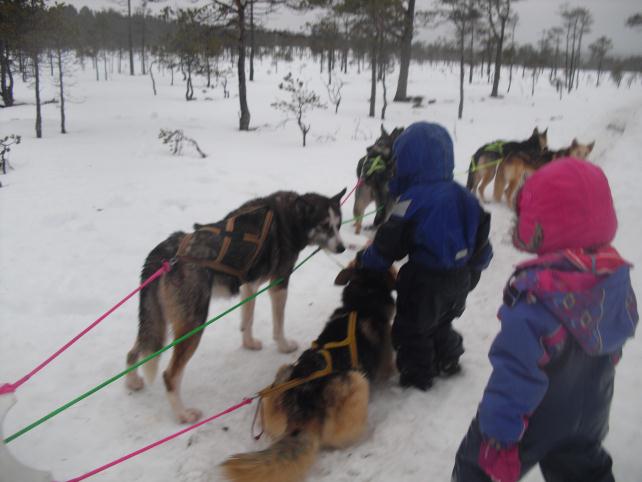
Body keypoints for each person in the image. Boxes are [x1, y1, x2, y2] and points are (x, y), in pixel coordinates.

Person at [452, 157, 638, 482]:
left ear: (541, 222)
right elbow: (617, 336)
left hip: (535, 419)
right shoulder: (614, 277)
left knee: (474, 468)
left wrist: (498, 438)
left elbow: (515, 373)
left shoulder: (535, 296)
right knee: (582, 470)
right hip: (591, 411)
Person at [356, 121, 493, 390]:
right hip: (462, 279)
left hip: (425, 282)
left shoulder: (411, 201)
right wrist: (473, 270)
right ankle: (449, 358)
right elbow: (482, 243)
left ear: (406, 160)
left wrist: (366, 261)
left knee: (411, 330)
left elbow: (388, 245)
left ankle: (417, 377)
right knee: (442, 321)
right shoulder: (465, 195)